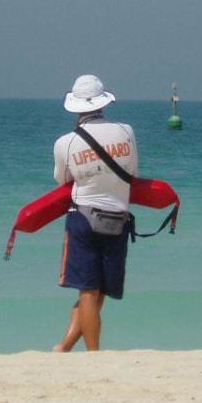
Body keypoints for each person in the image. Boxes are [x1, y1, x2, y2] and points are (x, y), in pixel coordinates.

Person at [52, 75, 139, 352]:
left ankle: (84, 353)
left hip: (82, 217)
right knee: (98, 292)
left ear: (76, 107)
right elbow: (133, 174)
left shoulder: (66, 142)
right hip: (117, 217)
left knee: (89, 291)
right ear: (103, 103)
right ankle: (70, 349)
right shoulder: (126, 131)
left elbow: (62, 180)